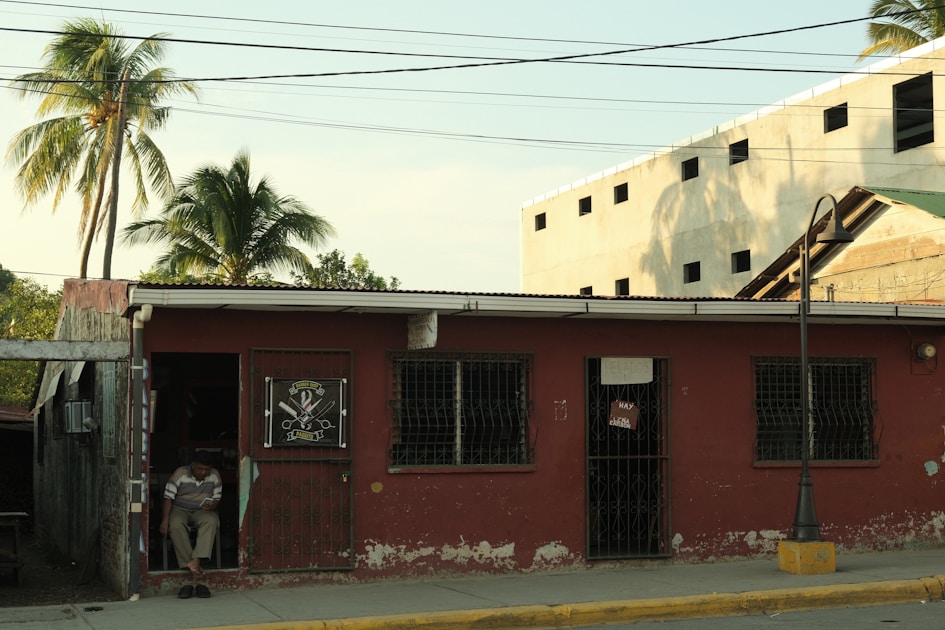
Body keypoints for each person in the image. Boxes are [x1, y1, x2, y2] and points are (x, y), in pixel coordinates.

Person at [159, 450, 222, 599]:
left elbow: (217, 497)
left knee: (211, 520)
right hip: (180, 509)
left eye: (207, 469)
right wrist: (165, 520)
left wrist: (212, 504)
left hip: (201, 510)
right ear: (192, 465)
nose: (203, 472)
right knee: (175, 524)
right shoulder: (180, 473)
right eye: (200, 468)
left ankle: (195, 560)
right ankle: (194, 567)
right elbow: (168, 498)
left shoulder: (215, 475)